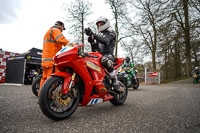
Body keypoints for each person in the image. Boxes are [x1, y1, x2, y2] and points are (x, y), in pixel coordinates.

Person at [84, 16, 124, 93]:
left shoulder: (111, 33)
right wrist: (92, 42)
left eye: (101, 24)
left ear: (106, 24)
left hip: (108, 55)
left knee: (105, 60)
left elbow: (106, 41)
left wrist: (94, 35)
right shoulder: (99, 35)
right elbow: (95, 50)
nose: (99, 25)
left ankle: (115, 81)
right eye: (98, 24)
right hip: (98, 55)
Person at [38, 21, 70, 96]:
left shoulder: (48, 32)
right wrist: (73, 45)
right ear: (61, 26)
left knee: (44, 79)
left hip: (45, 60)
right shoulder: (56, 30)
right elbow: (61, 40)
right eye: (62, 29)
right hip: (52, 60)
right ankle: (49, 97)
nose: (62, 30)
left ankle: (41, 96)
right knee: (51, 80)